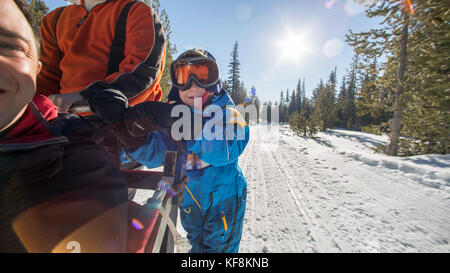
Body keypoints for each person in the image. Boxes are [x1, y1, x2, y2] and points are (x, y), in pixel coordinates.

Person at [0, 0, 128, 252]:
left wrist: (108, 101)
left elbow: (141, 68)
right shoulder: (57, 19)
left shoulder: (76, 162)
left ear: (34, 70)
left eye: (8, 46)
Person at [118, 49, 249, 253]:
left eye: (203, 75)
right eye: (183, 77)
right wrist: (132, 139)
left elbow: (228, 146)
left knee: (218, 251)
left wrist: (189, 126)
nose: (193, 85)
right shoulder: (173, 121)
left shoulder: (227, 114)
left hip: (223, 201)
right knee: (195, 244)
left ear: (216, 82)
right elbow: (155, 153)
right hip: (189, 200)